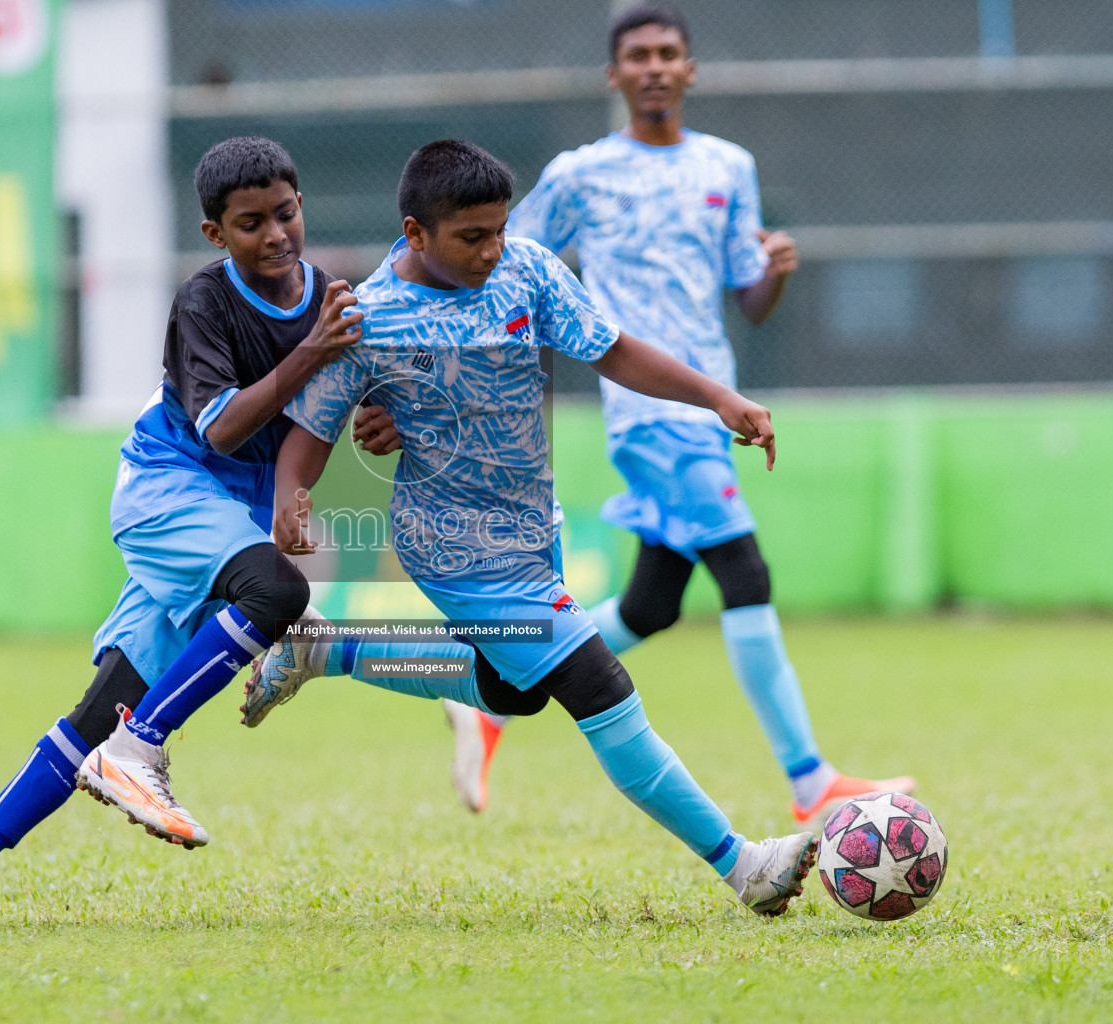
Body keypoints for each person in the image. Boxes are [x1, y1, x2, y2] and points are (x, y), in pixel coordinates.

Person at [250, 4, 914, 826]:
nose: (656, 67)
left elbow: (747, 298)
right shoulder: (575, 177)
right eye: (638, 54)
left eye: (671, 52)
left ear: (692, 68)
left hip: (671, 408)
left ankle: (421, 680)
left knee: (641, 612)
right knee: (742, 578)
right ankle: (803, 788)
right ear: (615, 74)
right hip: (642, 419)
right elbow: (459, 267)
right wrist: (394, 389)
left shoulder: (728, 167)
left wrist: (757, 306)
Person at [266, 139, 816, 917]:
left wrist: (716, 398)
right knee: (599, 685)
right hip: (454, 549)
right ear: (416, 233)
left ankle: (330, 647)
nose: (493, 249)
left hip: (532, 531)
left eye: (498, 229)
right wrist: (293, 493)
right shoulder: (370, 318)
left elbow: (613, 350)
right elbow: (310, 434)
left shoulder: (526, 268)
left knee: (510, 691)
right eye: (472, 237)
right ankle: (745, 865)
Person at [0, 136, 401, 927]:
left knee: (105, 708)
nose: (274, 235)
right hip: (170, 489)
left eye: (285, 213)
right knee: (277, 592)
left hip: (230, 516)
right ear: (215, 235)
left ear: (302, 204)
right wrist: (312, 353)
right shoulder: (206, 303)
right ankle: (141, 753)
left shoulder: (330, 301)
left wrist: (377, 423)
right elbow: (227, 428)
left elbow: (330, 407)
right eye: (249, 223)